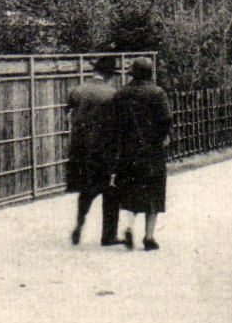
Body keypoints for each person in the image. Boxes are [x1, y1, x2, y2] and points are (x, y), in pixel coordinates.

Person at [112, 57, 171, 251]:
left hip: (128, 152)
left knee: (129, 192)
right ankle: (149, 237)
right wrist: (162, 137)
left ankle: (128, 227)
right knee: (153, 193)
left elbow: (114, 122)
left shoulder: (121, 94)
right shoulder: (157, 93)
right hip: (152, 152)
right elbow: (166, 119)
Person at [66, 54, 122, 246]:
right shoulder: (112, 94)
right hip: (103, 149)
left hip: (80, 149)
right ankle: (109, 235)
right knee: (110, 191)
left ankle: (80, 223)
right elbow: (116, 124)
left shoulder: (77, 90)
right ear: (109, 75)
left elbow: (68, 112)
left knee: (86, 189)